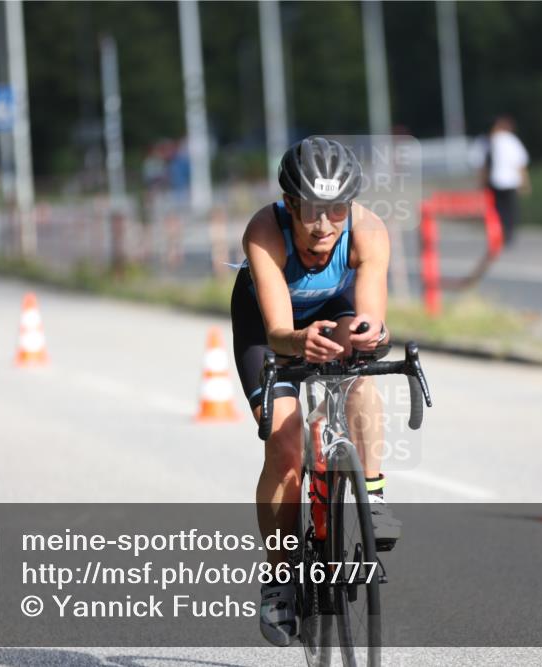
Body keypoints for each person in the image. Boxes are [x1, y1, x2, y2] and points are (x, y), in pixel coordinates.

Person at [231, 136, 400, 646]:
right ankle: (280, 579)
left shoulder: (369, 231)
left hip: (334, 313)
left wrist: (369, 334)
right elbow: (281, 331)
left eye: (336, 211)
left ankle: (371, 493)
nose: (324, 226)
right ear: (290, 205)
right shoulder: (264, 230)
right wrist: (299, 342)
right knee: (285, 445)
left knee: (361, 377)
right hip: (270, 328)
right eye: (311, 211)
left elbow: (370, 316)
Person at [482, 115, 530, 245]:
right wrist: (524, 182)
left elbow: (484, 165)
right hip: (509, 181)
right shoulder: (511, 140)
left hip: (496, 181)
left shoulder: (490, 140)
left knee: (500, 209)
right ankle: (508, 233)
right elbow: (520, 163)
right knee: (510, 210)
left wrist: (482, 182)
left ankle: (502, 233)